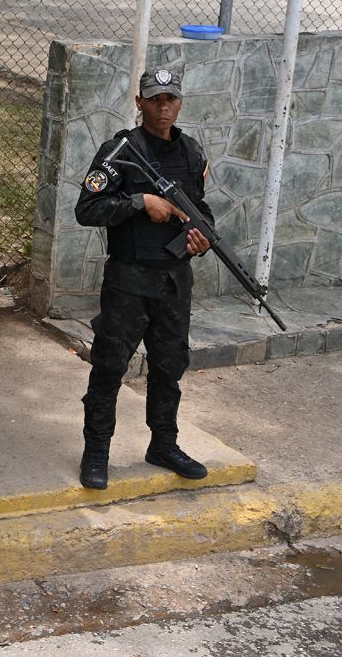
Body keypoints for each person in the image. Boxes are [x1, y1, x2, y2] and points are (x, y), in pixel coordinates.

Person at [74, 68, 213, 491]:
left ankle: (164, 444)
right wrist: (140, 201)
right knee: (110, 366)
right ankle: (96, 451)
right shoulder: (119, 151)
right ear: (139, 103)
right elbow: (87, 209)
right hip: (129, 280)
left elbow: (200, 210)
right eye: (154, 99)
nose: (163, 107)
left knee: (170, 366)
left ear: (180, 102)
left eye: (170, 98)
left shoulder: (191, 152)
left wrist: (200, 237)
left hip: (174, 281)